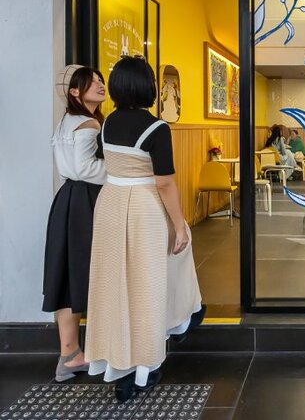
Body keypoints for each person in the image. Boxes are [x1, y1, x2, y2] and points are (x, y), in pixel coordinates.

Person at [85, 56, 204, 403]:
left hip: (109, 204)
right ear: (149, 87)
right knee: (151, 281)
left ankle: (122, 366)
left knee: (114, 285)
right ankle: (153, 357)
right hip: (143, 207)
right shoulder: (157, 128)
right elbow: (165, 183)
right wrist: (179, 223)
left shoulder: (106, 124)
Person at [43, 66, 107, 383]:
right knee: (91, 273)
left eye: (100, 80)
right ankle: (103, 351)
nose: (100, 84)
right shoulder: (89, 123)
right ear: (74, 92)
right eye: (91, 81)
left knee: (67, 275)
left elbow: (70, 169)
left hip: (66, 199)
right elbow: (86, 169)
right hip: (86, 201)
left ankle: (69, 354)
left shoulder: (66, 121)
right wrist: (122, 173)